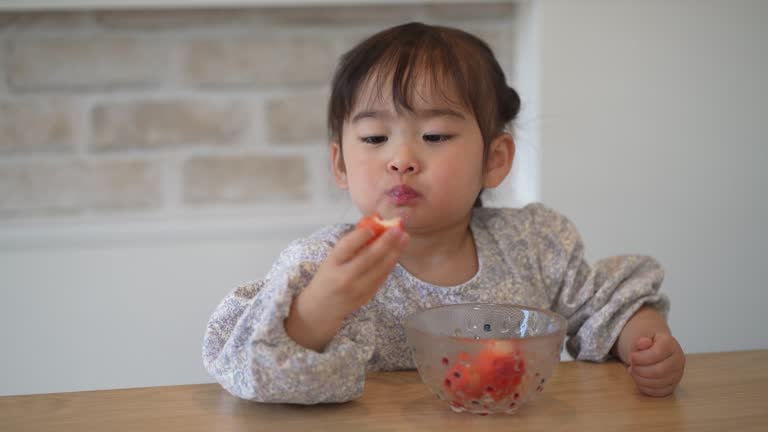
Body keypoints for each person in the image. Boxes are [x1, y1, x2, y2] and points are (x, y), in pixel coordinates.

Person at [202, 22, 685, 404]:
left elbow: (606, 306)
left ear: (494, 160)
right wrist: (319, 308)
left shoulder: (535, 244)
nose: (401, 159)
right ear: (341, 164)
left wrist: (645, 342)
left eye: (434, 136)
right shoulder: (320, 266)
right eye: (374, 138)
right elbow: (249, 373)